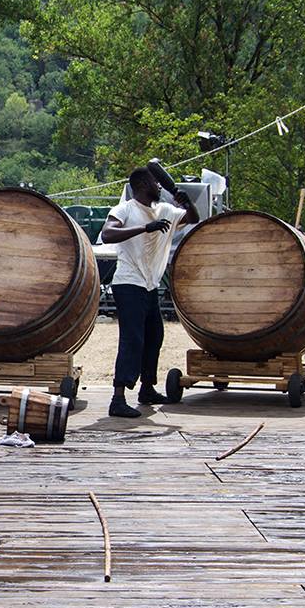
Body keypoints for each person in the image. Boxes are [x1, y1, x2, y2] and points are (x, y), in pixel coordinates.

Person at [100, 163, 199, 418]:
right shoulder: (125, 209)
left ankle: (146, 388)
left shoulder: (164, 210)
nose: (159, 187)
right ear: (142, 186)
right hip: (128, 282)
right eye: (155, 184)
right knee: (132, 339)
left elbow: (193, 219)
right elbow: (108, 234)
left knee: (154, 336)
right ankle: (118, 398)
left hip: (149, 285)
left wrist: (187, 203)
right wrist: (145, 228)